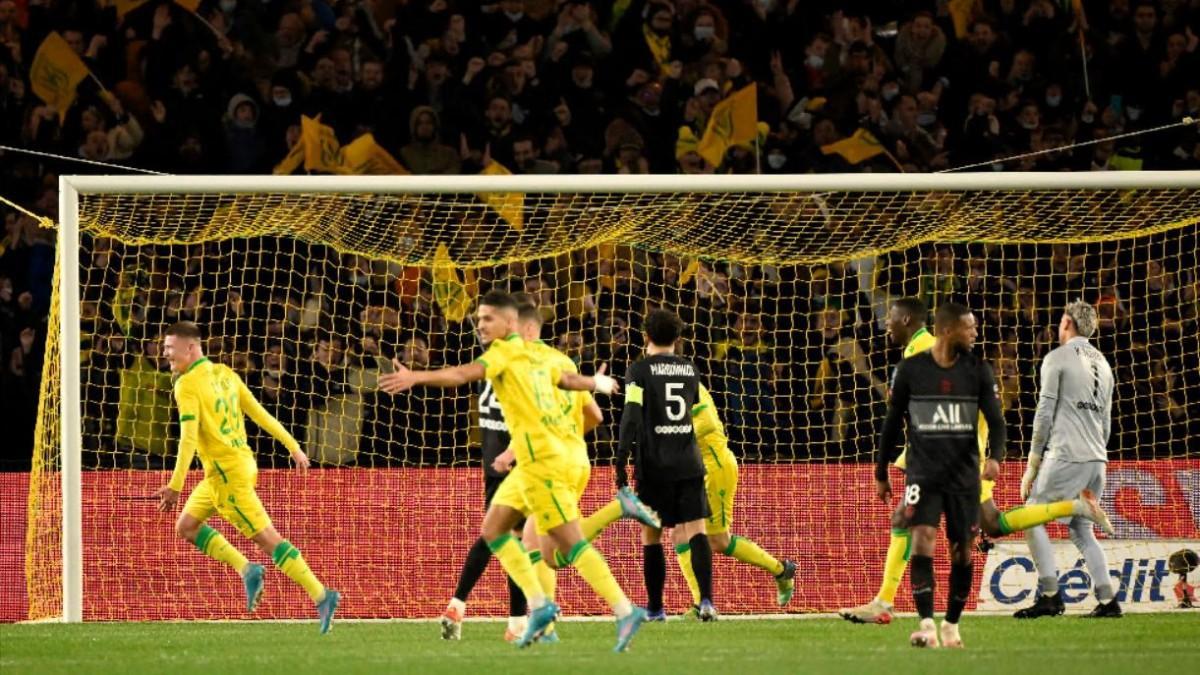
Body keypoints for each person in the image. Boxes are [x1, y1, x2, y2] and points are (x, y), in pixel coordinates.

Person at [379, 290, 649, 652]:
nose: (480, 325)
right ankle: (538, 607)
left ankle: (624, 610)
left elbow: (463, 374)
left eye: (487, 318)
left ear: (511, 324)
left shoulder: (505, 352)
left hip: (542, 460)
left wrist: (417, 377)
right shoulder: (538, 354)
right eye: (478, 319)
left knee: (564, 544)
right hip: (533, 458)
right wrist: (595, 383)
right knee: (493, 531)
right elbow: (566, 381)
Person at [842, 298, 1112, 625]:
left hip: (953, 456)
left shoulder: (927, 349)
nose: (885, 324)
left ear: (907, 319)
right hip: (966, 453)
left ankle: (886, 604)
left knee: (906, 520)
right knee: (992, 524)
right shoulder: (921, 350)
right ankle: (1075, 509)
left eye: (890, 318)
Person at [155, 321, 339, 634]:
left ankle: (322, 595)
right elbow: (260, 414)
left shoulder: (186, 385)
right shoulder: (226, 374)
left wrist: (174, 486)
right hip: (230, 469)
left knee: (269, 540)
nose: (165, 354)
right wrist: (293, 447)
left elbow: (187, 439)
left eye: (170, 349)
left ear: (190, 347)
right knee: (186, 526)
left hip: (227, 477)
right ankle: (247, 569)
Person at [875, 302, 1006, 648]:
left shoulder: (978, 370)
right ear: (948, 329)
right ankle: (926, 625)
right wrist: (881, 472)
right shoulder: (911, 369)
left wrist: (995, 456)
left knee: (961, 550)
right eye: (970, 327)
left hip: (964, 475)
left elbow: (996, 420)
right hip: (923, 473)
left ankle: (951, 624)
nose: (976, 332)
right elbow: (891, 423)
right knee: (922, 540)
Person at [1015, 301, 1120, 619]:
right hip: (1097, 458)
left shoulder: (1056, 358)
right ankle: (1107, 601)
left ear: (1066, 323)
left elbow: (1044, 413)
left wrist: (1032, 464)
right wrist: (1094, 455)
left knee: (1031, 516)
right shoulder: (1103, 363)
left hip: (1066, 455)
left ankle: (1049, 595)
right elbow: (1106, 421)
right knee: (1081, 530)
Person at [617, 308, 717, 621]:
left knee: (652, 534)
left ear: (645, 336)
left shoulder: (638, 370)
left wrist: (620, 459)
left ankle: (656, 609)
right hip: (689, 460)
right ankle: (707, 603)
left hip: (654, 463)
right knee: (697, 531)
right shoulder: (691, 370)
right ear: (677, 338)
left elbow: (632, 415)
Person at [673, 381, 797, 616]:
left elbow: (707, 423)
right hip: (693, 471)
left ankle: (781, 570)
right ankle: (700, 604)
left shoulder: (685, 383)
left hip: (715, 468)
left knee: (717, 541)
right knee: (679, 533)